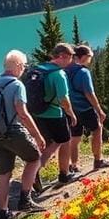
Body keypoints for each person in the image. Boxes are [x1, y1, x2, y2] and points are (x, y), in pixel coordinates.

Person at [0, 50, 47, 219]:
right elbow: (22, 113)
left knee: (4, 173)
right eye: (24, 66)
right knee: (34, 158)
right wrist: (37, 135)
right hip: (12, 132)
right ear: (19, 66)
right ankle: (25, 200)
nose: (24, 69)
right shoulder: (16, 85)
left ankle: (3, 213)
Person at [31, 42, 81, 189]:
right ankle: (63, 175)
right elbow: (63, 99)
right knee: (64, 141)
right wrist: (71, 114)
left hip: (37, 114)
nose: (71, 60)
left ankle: (34, 172)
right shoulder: (58, 74)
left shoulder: (38, 69)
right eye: (71, 57)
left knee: (47, 143)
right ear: (63, 56)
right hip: (53, 114)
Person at [65, 44, 109, 171]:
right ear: (84, 57)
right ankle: (98, 160)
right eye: (90, 56)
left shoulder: (65, 70)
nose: (90, 59)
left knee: (75, 137)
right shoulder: (83, 72)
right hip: (85, 108)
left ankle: (73, 165)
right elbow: (89, 93)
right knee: (97, 130)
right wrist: (99, 110)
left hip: (71, 109)